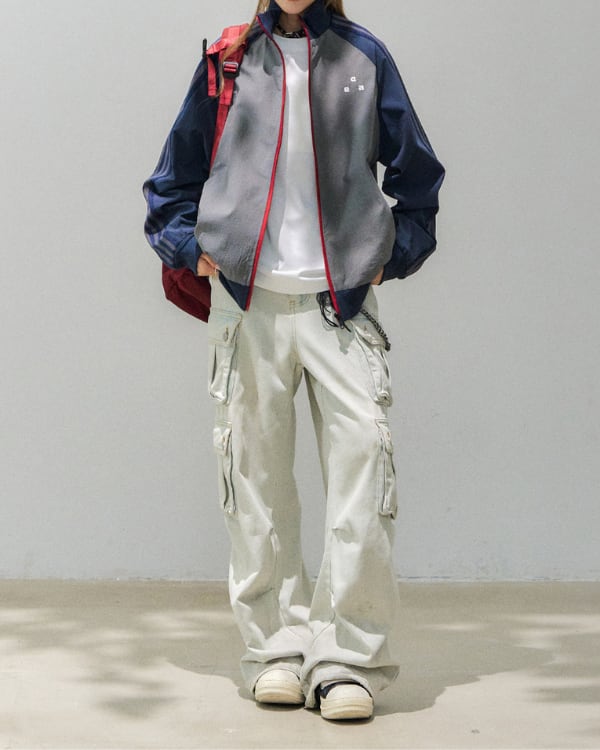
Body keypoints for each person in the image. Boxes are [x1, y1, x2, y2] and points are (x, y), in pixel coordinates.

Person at [143, 0, 444, 722]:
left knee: (362, 477)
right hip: (249, 308)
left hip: (339, 308)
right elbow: (170, 184)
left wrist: (391, 255)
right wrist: (193, 249)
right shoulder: (228, 61)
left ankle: (348, 661)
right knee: (256, 489)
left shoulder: (365, 58)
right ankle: (275, 651)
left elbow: (418, 178)